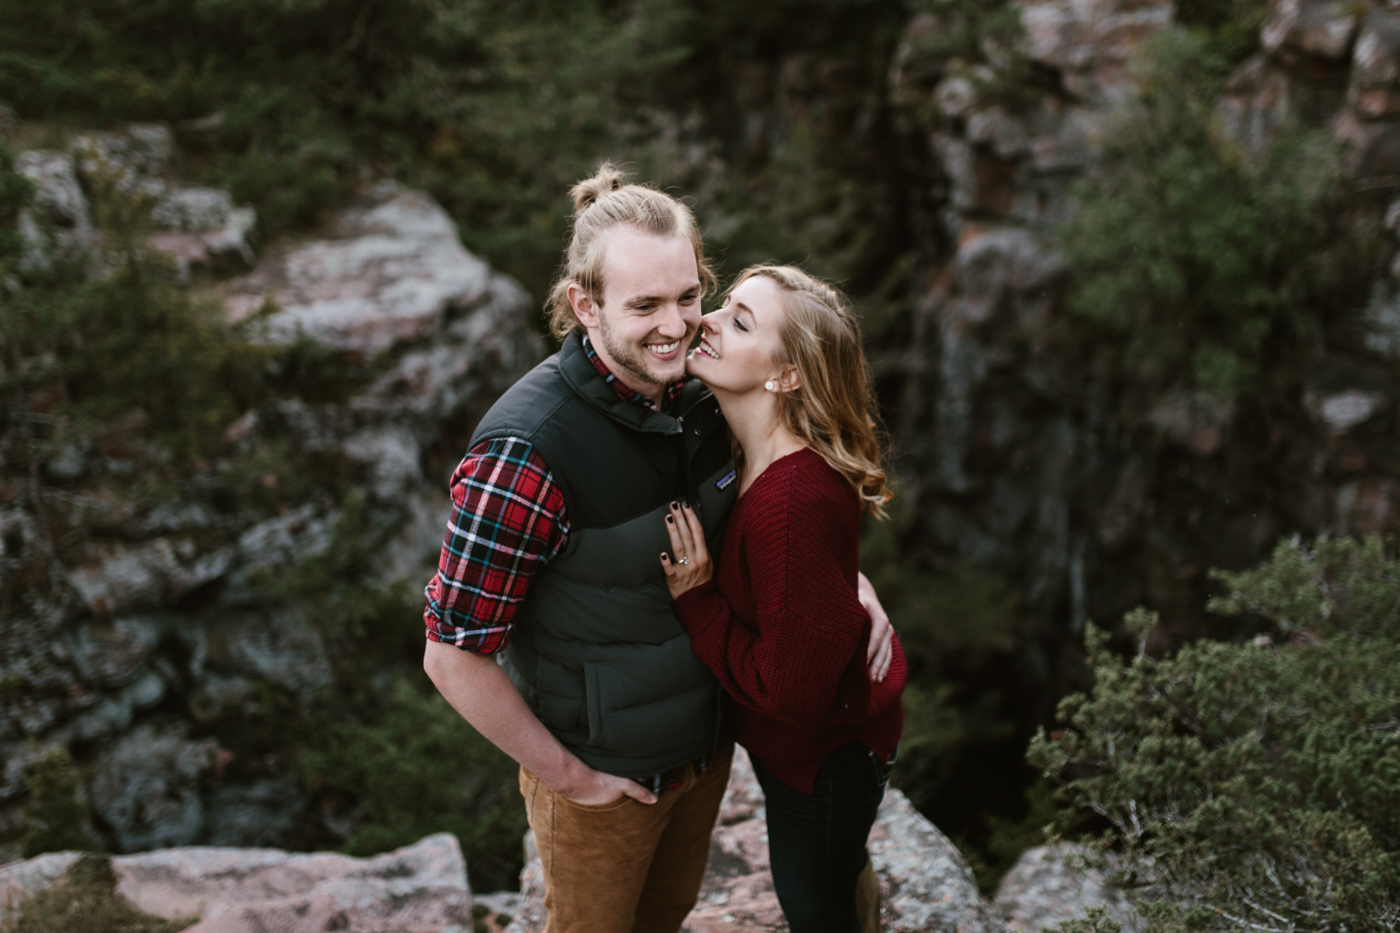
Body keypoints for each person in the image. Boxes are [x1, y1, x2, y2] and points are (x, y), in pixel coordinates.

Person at [422, 165, 895, 933]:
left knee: (665, 919)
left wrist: (849, 588)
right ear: (585, 305)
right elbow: (451, 654)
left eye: (687, 296)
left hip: (704, 754)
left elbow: (784, 511)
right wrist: (572, 778)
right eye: (643, 306)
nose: (677, 326)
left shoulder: (705, 392)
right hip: (601, 775)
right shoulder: (525, 452)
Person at [660, 264, 907, 933]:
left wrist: (699, 600)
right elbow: (809, 583)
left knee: (813, 907)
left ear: (786, 375)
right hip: (811, 745)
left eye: (739, 321)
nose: (702, 320)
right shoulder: (744, 450)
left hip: (825, 756)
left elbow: (793, 694)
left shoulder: (789, 502)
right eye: (723, 305)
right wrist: (855, 589)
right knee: (831, 876)